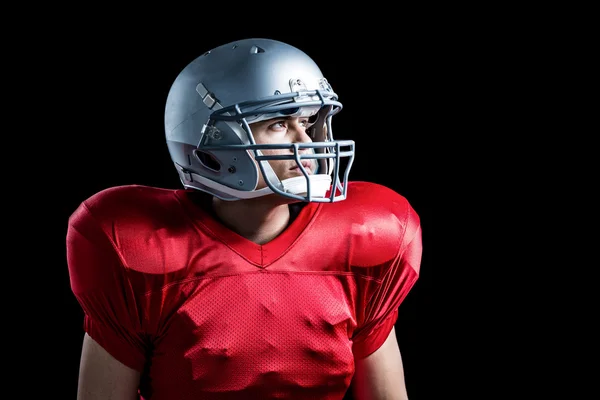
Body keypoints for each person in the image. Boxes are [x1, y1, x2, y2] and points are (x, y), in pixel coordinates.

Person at [66, 38, 423, 400]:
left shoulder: (366, 238)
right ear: (214, 141)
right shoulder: (136, 247)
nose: (307, 143)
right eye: (280, 124)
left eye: (307, 121)